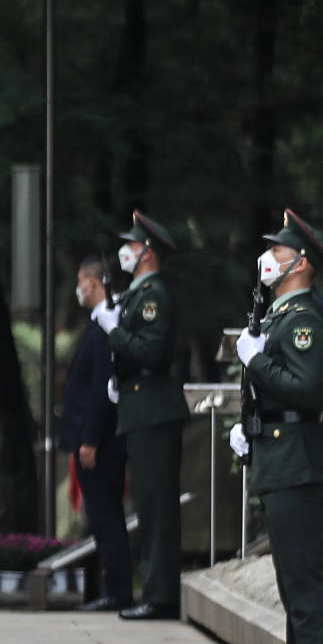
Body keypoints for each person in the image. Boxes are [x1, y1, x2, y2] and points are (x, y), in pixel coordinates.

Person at [232, 211, 323, 644]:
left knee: (305, 580)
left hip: (298, 462)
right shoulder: (280, 315)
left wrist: (255, 362)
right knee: (293, 579)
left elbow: (303, 389)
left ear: (300, 262)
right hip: (282, 458)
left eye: (277, 250)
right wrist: (249, 420)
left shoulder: (304, 320)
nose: (267, 258)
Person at [93, 209, 188, 620]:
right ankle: (155, 590)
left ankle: (161, 595)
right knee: (148, 506)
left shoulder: (154, 296)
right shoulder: (138, 294)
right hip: (140, 407)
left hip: (153, 409)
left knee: (157, 507)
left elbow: (152, 351)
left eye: (131, 246)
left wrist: (114, 330)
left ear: (147, 253)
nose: (124, 252)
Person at [58, 255, 130, 611]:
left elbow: (103, 388)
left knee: (106, 516)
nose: (78, 289)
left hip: (100, 441)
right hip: (96, 438)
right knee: (101, 518)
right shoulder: (100, 322)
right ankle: (113, 589)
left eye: (81, 281)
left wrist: (89, 439)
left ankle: (117, 591)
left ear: (93, 283)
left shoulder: (107, 323)